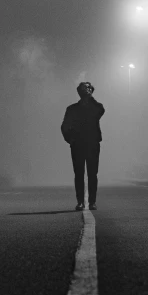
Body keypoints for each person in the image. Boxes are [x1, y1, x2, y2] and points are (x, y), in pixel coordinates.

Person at [61, 82, 105, 211]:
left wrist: (91, 97)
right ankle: (80, 202)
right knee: (79, 174)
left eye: (89, 88)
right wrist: (71, 140)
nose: (87, 90)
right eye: (84, 88)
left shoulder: (96, 107)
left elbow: (101, 110)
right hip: (78, 145)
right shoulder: (72, 109)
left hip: (92, 144)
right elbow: (64, 126)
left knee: (92, 174)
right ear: (79, 92)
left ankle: (92, 202)